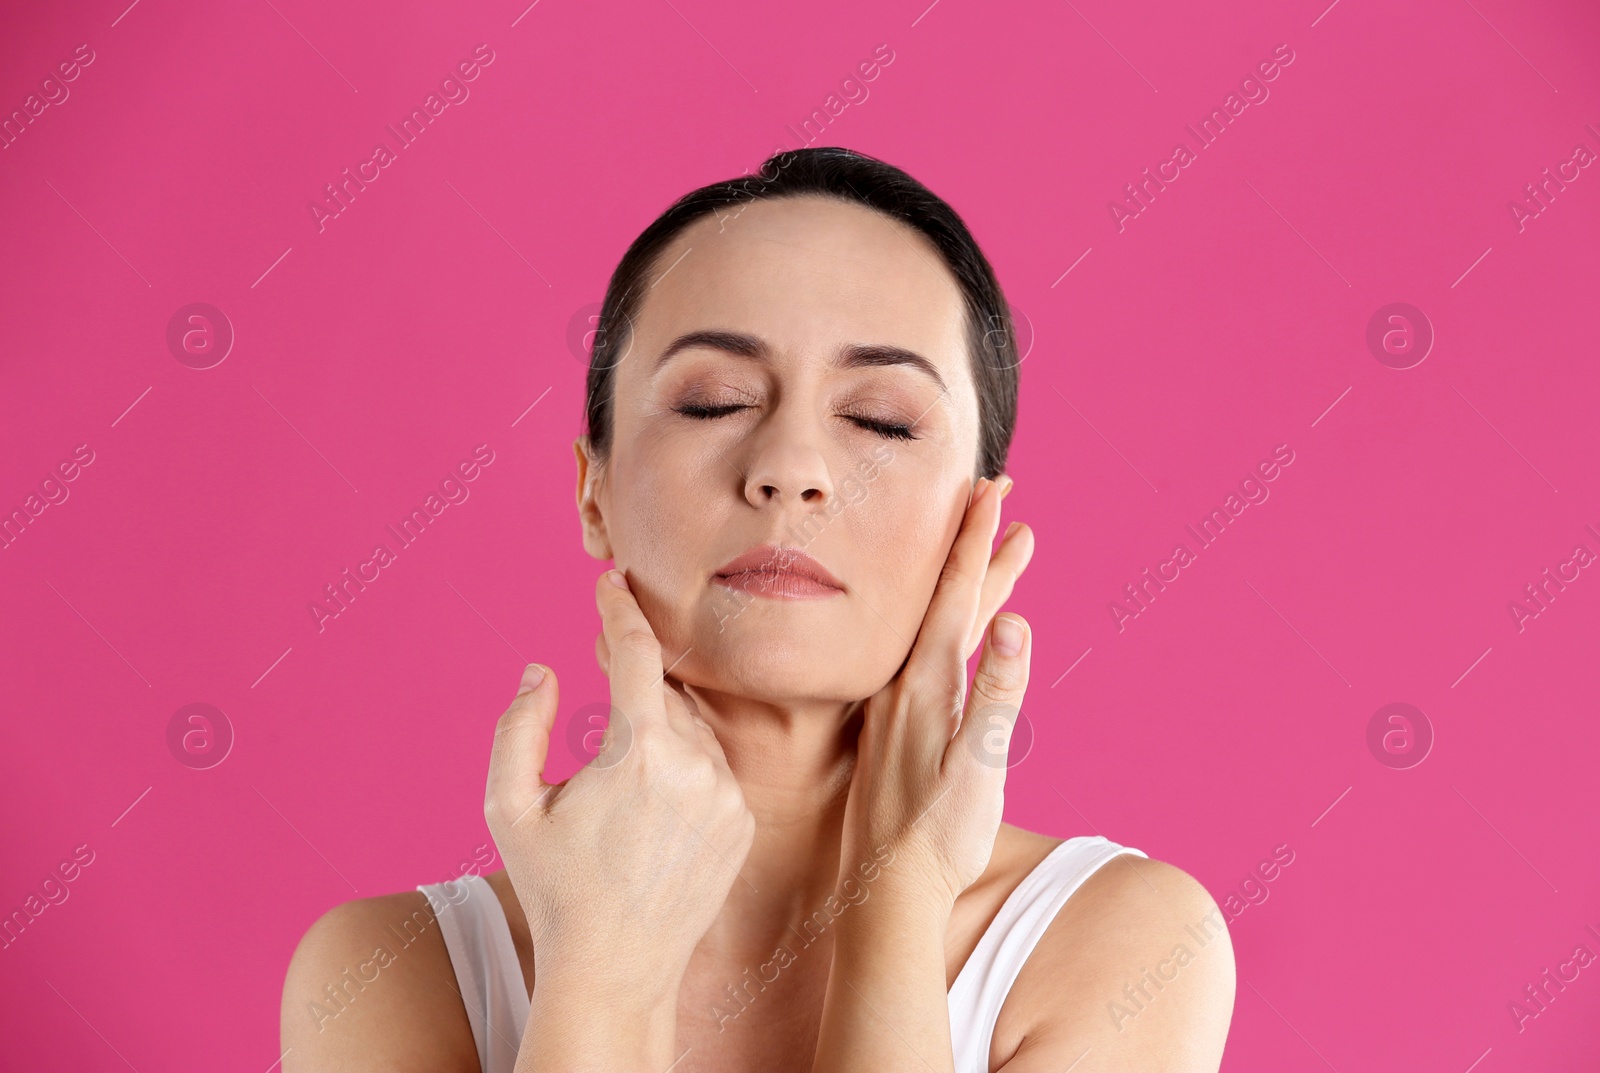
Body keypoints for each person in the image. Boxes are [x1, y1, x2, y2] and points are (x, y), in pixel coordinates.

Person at [280, 146, 1235, 1072]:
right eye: (713, 402)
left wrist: (896, 897)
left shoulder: (1124, 945)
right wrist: (602, 974)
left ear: (975, 519)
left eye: (881, 420)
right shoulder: (389, 973)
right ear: (593, 491)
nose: (789, 470)